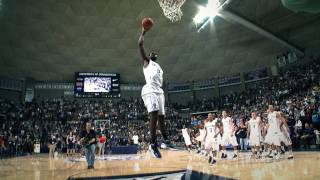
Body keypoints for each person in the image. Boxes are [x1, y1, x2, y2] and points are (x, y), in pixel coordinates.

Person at [138, 26, 172, 158]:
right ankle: (153, 144)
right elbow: (140, 45)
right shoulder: (147, 62)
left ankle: (166, 140)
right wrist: (143, 32)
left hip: (159, 91)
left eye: (154, 53)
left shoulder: (159, 68)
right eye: (150, 53)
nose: (152, 53)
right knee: (154, 114)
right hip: (149, 89)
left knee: (162, 117)